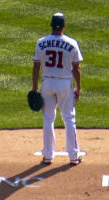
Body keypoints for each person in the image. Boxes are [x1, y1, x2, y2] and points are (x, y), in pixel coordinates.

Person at [31, 12, 83, 166]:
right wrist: (78, 88)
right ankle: (73, 156)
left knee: (48, 119)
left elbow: (36, 67)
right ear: (64, 26)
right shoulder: (72, 43)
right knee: (69, 118)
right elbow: (76, 69)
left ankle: (48, 155)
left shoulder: (40, 43)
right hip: (64, 83)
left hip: (47, 83)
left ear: (51, 25)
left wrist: (35, 88)